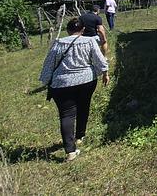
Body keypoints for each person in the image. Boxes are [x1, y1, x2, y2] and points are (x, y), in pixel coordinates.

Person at [39, 18, 109, 162]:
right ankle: (80, 136)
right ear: (83, 30)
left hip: (62, 84)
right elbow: (99, 59)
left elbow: (48, 65)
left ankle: (70, 151)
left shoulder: (58, 43)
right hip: (86, 81)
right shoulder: (89, 41)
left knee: (66, 115)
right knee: (84, 106)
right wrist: (105, 73)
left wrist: (46, 81)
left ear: (68, 30)